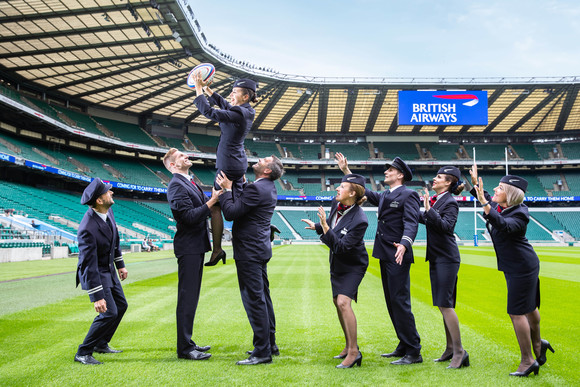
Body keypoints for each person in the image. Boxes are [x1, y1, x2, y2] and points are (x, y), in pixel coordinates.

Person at [336, 153, 422, 365]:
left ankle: (414, 351)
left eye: (390, 170)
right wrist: (347, 171)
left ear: (400, 175)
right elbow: (366, 192)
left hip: (398, 253)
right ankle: (403, 344)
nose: (386, 172)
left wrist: (405, 242)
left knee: (400, 301)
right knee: (392, 301)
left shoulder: (408, 194)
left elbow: (412, 222)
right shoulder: (385, 194)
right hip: (386, 253)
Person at [470, 166, 554, 377]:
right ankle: (538, 343)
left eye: (500, 188)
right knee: (529, 307)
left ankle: (528, 360)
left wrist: (483, 202)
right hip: (515, 265)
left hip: (522, 267)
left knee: (516, 312)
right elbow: (487, 198)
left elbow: (504, 226)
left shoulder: (519, 213)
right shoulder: (501, 206)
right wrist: (475, 186)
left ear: (510, 194)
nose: (494, 191)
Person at [216, 155, 284, 365]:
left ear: (267, 171)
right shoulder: (267, 187)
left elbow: (230, 213)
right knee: (263, 297)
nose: (259, 160)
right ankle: (269, 344)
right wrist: (242, 184)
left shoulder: (258, 188)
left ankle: (262, 352)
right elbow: (249, 201)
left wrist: (226, 191)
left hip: (249, 251)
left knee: (254, 300)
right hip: (259, 249)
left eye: (263, 160)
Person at [301, 174, 369, 369]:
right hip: (337, 263)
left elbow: (341, 247)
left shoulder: (360, 220)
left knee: (343, 302)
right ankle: (348, 346)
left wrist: (323, 226)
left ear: (352, 193)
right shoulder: (336, 204)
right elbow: (335, 230)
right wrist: (317, 226)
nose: (337, 189)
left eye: (342, 187)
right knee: (336, 302)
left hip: (353, 264)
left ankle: (354, 352)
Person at [193, 73, 258, 266]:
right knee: (238, 203)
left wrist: (198, 89)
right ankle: (259, 227)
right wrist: (208, 90)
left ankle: (217, 249)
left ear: (245, 96)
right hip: (236, 163)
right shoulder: (245, 110)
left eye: (235, 92)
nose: (231, 94)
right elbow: (225, 104)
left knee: (215, 205)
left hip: (228, 166)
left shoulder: (239, 113)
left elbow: (210, 112)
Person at [164, 148, 220, 361]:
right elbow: (187, 217)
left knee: (192, 298)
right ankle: (184, 349)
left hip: (195, 246)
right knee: (187, 298)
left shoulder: (188, 181)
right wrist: (212, 201)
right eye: (180, 156)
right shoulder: (176, 185)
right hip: (189, 247)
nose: (185, 156)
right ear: (173, 166)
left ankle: (188, 342)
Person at [74, 178, 128, 365]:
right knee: (108, 313)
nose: (111, 192)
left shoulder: (108, 211)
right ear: (99, 200)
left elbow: (115, 238)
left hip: (109, 270)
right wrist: (96, 296)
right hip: (96, 273)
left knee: (121, 306)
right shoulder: (87, 229)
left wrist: (120, 264)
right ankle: (83, 352)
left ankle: (101, 343)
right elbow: (88, 264)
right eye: (107, 191)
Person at [419, 167, 469, 369]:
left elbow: (447, 227)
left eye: (438, 177)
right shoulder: (439, 200)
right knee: (442, 303)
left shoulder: (449, 202)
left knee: (446, 304)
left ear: (448, 182)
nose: (434, 179)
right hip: (437, 257)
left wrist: (428, 211)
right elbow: (428, 221)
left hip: (447, 258)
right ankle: (450, 349)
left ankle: (459, 352)